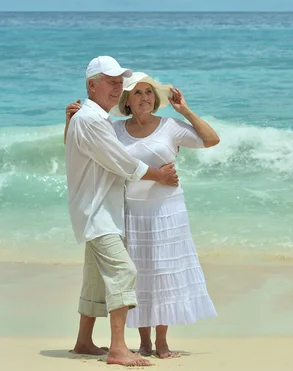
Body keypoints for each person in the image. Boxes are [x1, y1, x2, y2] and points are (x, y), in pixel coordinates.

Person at [66, 71, 220, 359]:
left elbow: (211, 140)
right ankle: (144, 342)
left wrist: (184, 109)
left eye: (149, 92)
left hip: (167, 211)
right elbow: (84, 151)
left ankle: (161, 343)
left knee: (163, 274)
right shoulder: (114, 129)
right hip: (131, 211)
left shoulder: (171, 126)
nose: (144, 98)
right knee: (141, 276)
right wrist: (70, 122)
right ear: (127, 100)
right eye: (137, 93)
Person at [64, 56, 179, 367]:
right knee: (123, 272)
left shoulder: (91, 119)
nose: (118, 88)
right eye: (110, 82)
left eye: (119, 83)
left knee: (95, 278)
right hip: (97, 209)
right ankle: (117, 349)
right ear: (92, 85)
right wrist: (160, 176)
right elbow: (122, 162)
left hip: (97, 208)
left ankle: (84, 341)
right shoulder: (90, 120)